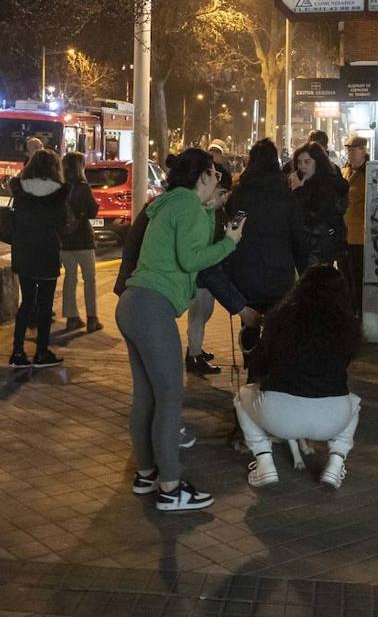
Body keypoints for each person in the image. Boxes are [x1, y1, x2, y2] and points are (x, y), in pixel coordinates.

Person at [116, 149, 245, 512]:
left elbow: (185, 242)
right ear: (203, 175)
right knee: (170, 397)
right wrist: (229, 243)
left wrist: (209, 209)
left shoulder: (170, 203)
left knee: (147, 395)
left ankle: (147, 475)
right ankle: (171, 488)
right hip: (153, 307)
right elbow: (192, 259)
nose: (218, 184)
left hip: (133, 303)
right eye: (215, 176)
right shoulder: (187, 206)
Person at [234, 265, 362, 490]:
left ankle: (264, 461)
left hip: (279, 414)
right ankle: (336, 462)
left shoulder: (280, 318)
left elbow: (261, 363)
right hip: (331, 417)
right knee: (355, 403)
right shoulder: (347, 325)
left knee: (241, 398)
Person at [224, 138, 312, 317]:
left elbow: (233, 227)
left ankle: (250, 342)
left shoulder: (239, 193)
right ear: (275, 161)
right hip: (279, 276)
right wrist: (305, 273)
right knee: (278, 326)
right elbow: (298, 238)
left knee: (250, 324)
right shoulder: (286, 195)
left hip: (245, 274)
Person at [7, 148, 67, 369]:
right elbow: (62, 223)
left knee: (27, 302)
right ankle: (42, 352)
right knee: (45, 304)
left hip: (24, 252)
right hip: (47, 252)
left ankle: (17, 351)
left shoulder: (20, 188)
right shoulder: (60, 191)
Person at [184, 165, 233, 376]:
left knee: (203, 313)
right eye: (221, 192)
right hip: (203, 272)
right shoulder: (200, 212)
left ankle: (195, 350)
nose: (224, 197)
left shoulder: (214, 210)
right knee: (200, 312)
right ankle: (193, 355)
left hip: (209, 269)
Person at [59, 151, 101, 333]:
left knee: (70, 279)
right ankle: (92, 318)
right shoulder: (83, 187)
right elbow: (93, 211)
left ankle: (71, 317)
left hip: (65, 240)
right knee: (89, 279)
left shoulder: (60, 187)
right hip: (83, 239)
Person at [288, 142, 347, 267]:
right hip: (303, 248)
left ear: (317, 162)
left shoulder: (326, 186)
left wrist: (298, 191)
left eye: (307, 162)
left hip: (319, 248)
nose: (302, 166)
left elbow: (314, 215)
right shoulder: (300, 183)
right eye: (299, 162)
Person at [341, 135, 369, 318]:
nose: (349, 153)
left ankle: (358, 312)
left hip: (359, 236)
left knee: (357, 278)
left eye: (353, 149)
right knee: (344, 278)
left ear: (363, 150)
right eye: (348, 150)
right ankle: (350, 312)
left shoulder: (370, 173)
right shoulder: (344, 170)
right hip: (343, 235)